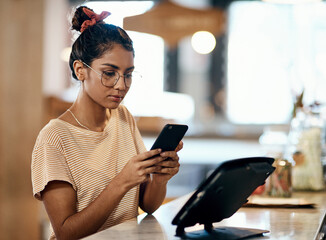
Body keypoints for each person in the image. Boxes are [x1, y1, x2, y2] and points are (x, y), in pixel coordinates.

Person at [31, 6, 183, 240]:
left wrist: (159, 179)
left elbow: (148, 205)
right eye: (109, 72)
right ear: (80, 70)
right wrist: (121, 182)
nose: (121, 85)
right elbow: (66, 232)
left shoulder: (123, 118)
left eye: (128, 74)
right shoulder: (54, 138)